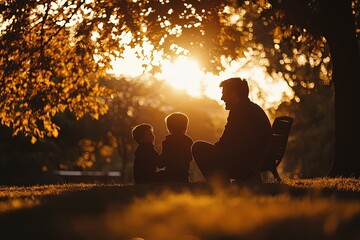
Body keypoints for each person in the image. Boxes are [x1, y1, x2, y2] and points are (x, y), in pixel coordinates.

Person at [191, 77, 272, 184]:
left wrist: (211, 153)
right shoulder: (253, 109)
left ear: (234, 94)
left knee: (198, 147)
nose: (222, 98)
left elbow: (225, 141)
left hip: (243, 165)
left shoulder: (239, 111)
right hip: (253, 163)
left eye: (224, 93)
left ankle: (217, 183)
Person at [159, 112, 194, 183]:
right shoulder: (188, 140)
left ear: (169, 127)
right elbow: (189, 158)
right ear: (185, 126)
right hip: (184, 176)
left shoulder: (166, 142)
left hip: (169, 176)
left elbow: (162, 161)